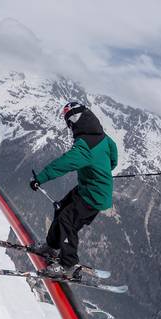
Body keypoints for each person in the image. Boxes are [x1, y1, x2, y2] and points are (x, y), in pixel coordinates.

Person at [29, 102, 118, 279]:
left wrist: (40, 178)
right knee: (61, 208)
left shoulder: (85, 145)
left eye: (68, 123)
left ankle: (67, 264)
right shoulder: (102, 136)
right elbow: (113, 157)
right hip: (89, 188)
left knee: (67, 221)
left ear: (73, 122)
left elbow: (64, 163)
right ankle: (51, 246)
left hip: (94, 197)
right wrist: (101, 169)